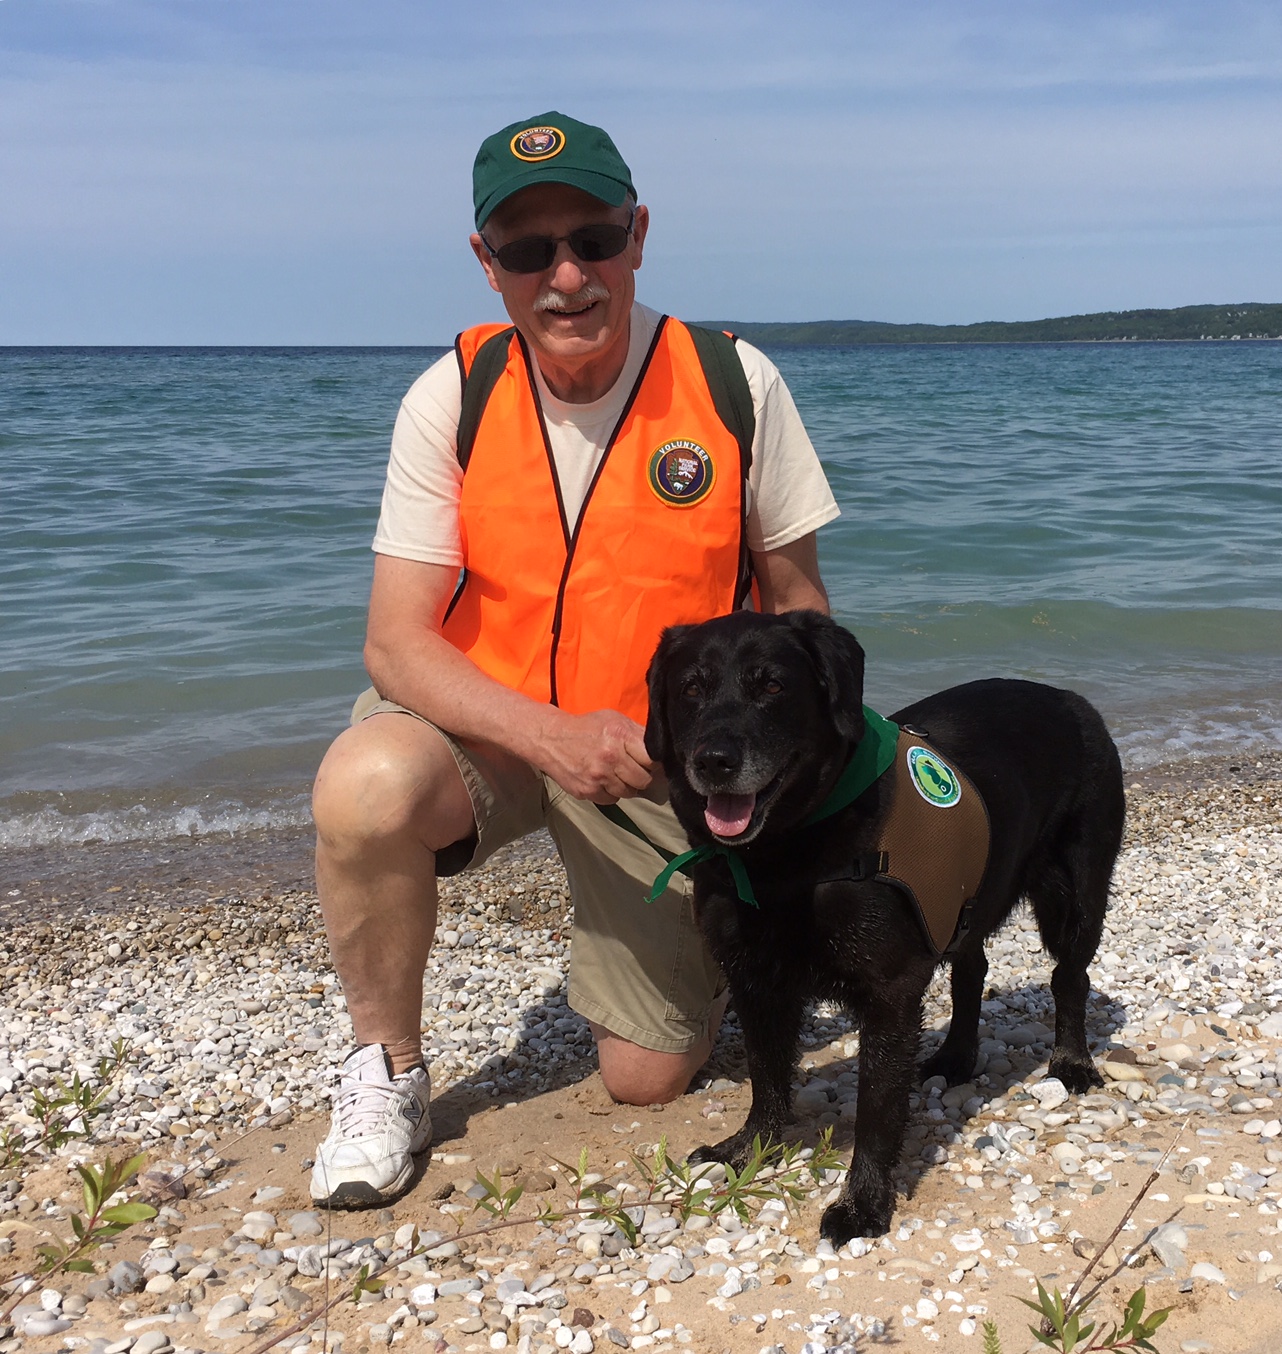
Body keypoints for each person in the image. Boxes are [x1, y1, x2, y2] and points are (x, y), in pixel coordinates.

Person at [308, 111, 840, 1207]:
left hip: (661, 764)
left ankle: (712, 949)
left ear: (637, 235)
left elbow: (799, 612)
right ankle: (383, 1070)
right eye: (526, 249)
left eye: (591, 240)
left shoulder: (734, 384)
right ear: (485, 263)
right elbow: (395, 640)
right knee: (362, 788)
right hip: (490, 727)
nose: (565, 276)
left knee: (646, 1080)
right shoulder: (450, 395)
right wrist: (544, 733)